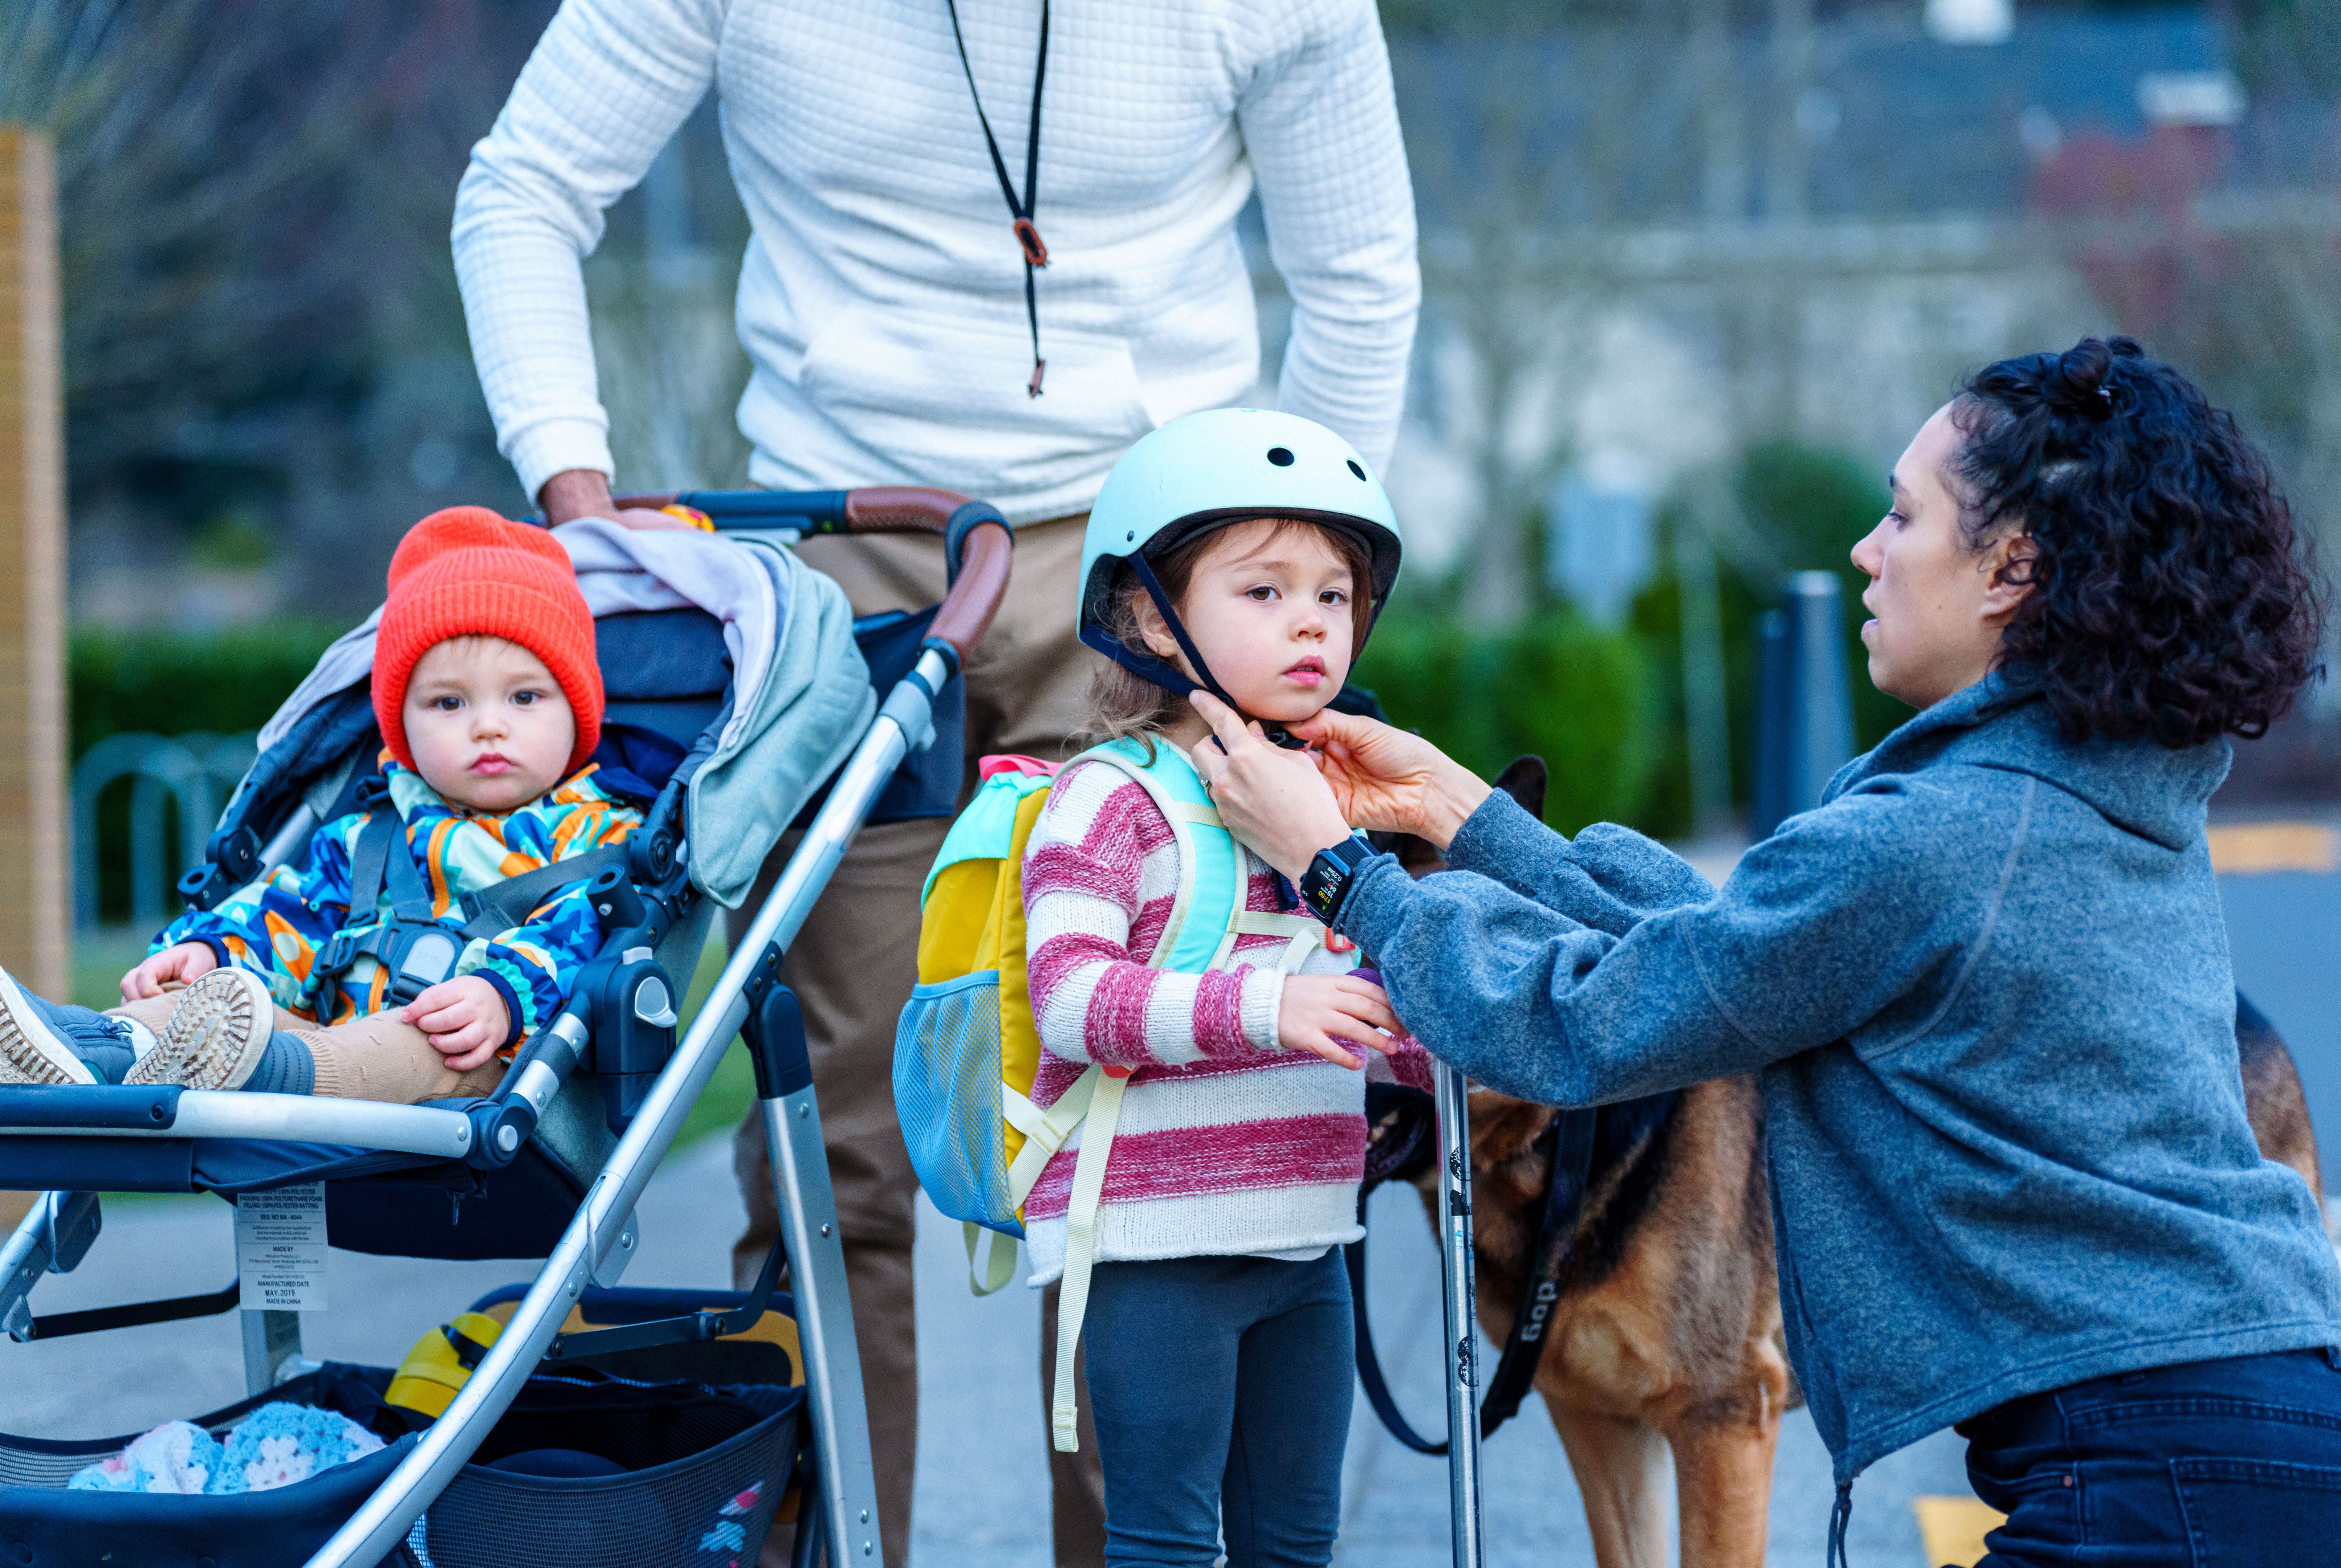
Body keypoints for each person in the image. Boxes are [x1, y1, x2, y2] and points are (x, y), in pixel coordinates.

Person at [451, 5, 1419, 1560]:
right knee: (836, 1156)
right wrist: (581, 503)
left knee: (1148, 1124)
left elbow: (1361, 276)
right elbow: (524, 190)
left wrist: (1289, 589)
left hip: (1160, 556)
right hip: (854, 564)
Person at [1191, 338, 2341, 1565]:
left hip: (2151, 1483)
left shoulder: (1942, 834)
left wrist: (1342, 871)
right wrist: (1463, 817)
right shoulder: (2081, 787)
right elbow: (1738, 953)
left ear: (2014, 567)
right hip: (2251, 1440)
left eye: (1904, 516)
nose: (1866, 549)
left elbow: (1585, 1021)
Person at [1027, 409, 1428, 1567]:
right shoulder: (1107, 800)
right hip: (1158, 1254)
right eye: (1263, 591)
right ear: (1152, 615)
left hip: (1308, 1247)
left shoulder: (1331, 808)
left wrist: (1441, 1032)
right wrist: (1269, 1008)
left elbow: (1378, 1011)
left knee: (1297, 1547)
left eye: (1334, 595)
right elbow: (1073, 1001)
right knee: (1163, 1544)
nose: (1310, 618)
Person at [0, 509, 635, 1106]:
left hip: (476, 1056)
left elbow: (578, 932)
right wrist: (213, 952)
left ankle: (255, 1076)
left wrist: (503, 995)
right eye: (450, 704)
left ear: (578, 712)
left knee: (421, 1041)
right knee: (208, 1000)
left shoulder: (595, 835)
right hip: (317, 1041)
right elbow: (291, 914)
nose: (488, 727)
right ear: (400, 727)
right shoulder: (370, 836)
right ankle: (95, 1048)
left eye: (524, 698)